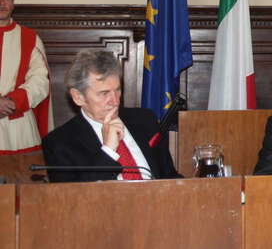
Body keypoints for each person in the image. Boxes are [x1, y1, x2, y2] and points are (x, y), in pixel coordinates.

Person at [42, 49, 180, 182]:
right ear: (78, 97)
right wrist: (108, 150)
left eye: (118, 90)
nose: (115, 101)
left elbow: (170, 177)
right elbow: (75, 196)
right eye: (104, 93)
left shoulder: (145, 119)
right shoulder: (60, 143)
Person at [0, 0, 52, 153]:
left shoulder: (29, 38)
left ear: (13, 3)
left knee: (23, 170)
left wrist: (12, 101)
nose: (2, 3)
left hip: (19, 128)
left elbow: (40, 80)